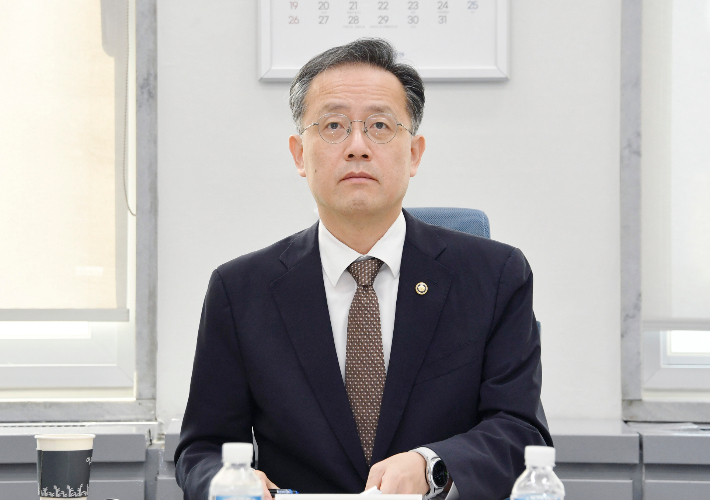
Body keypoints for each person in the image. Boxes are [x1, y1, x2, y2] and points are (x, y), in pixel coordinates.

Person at [175, 38, 552, 500]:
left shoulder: (495, 277)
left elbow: (520, 431)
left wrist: (432, 466)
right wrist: (230, 480)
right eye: (333, 125)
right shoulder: (240, 291)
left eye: (379, 126)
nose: (357, 147)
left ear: (414, 153)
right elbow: (202, 448)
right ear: (299, 154)